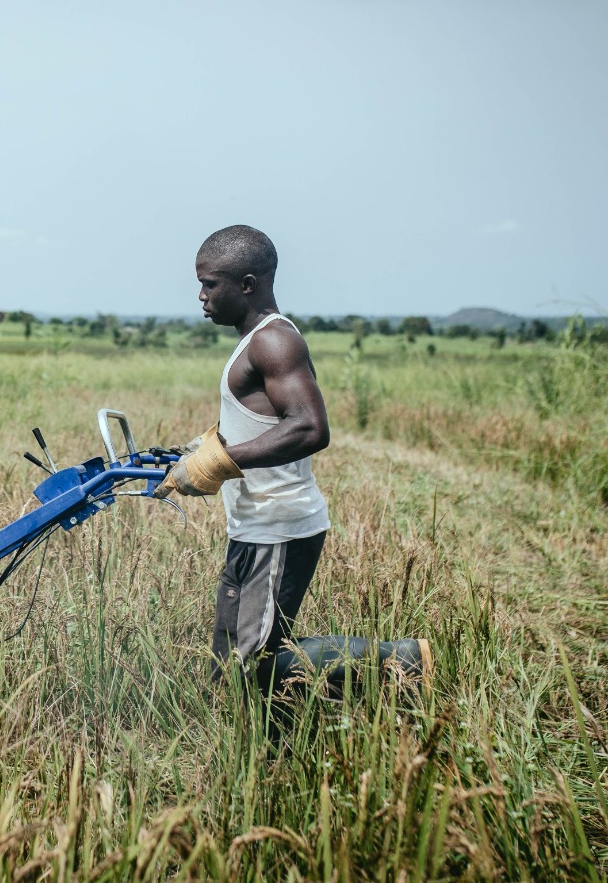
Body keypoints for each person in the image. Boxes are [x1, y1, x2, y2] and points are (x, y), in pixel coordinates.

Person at [155, 225, 430, 712]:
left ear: (247, 284)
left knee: (251, 666)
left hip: (278, 526)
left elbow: (309, 428)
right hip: (256, 524)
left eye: (210, 284)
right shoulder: (253, 341)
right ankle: (277, 735)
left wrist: (220, 462)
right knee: (229, 662)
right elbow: (257, 421)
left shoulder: (274, 341)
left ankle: (400, 662)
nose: (201, 296)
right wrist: (203, 446)